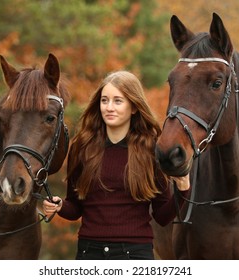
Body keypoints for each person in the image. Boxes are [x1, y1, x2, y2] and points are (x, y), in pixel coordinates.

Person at [43, 70, 189, 260]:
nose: (109, 107)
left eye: (117, 101)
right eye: (104, 101)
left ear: (134, 107)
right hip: (89, 254)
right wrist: (59, 206)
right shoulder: (81, 147)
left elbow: (162, 216)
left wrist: (183, 190)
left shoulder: (151, 149)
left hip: (135, 255)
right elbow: (76, 208)